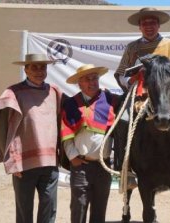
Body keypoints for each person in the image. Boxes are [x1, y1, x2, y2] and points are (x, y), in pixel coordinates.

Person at [113, 7, 170, 184]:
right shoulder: (132, 48)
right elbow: (121, 74)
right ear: (139, 26)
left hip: (168, 97)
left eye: (152, 22)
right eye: (145, 23)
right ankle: (126, 169)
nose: (149, 26)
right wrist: (130, 82)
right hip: (140, 97)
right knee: (122, 121)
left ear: (159, 25)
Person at [0, 53, 61, 223]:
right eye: (34, 67)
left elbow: (61, 122)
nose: (39, 71)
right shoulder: (13, 93)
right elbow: (3, 127)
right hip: (24, 163)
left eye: (42, 67)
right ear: (25, 69)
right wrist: (12, 160)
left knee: (49, 208)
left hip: (50, 162)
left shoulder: (55, 92)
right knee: (24, 210)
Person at [61, 64, 120, 223]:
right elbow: (66, 134)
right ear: (79, 83)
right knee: (78, 207)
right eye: (87, 79)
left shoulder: (111, 100)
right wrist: (73, 158)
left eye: (95, 78)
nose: (92, 82)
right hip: (81, 166)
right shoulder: (72, 104)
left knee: (100, 210)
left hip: (103, 166)